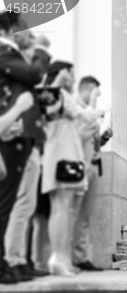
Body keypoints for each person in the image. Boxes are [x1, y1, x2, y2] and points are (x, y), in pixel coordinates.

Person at [0, 11, 51, 283]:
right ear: (13, 29)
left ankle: (17, 259)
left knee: (24, 206)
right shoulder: (4, 54)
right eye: (26, 31)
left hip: (25, 139)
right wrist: (41, 49)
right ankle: (11, 261)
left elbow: (32, 84)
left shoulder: (13, 56)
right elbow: (33, 76)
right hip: (9, 137)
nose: (30, 35)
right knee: (12, 205)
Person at [42, 61, 102, 276]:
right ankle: (57, 258)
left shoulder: (62, 95)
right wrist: (95, 105)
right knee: (61, 209)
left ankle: (61, 258)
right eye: (70, 73)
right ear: (61, 72)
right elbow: (85, 116)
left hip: (68, 156)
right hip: (59, 156)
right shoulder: (52, 93)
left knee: (65, 211)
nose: (73, 78)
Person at [72, 76, 112, 271]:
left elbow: (90, 143)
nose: (98, 97)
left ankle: (80, 256)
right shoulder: (75, 109)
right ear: (87, 90)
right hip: (78, 167)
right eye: (97, 92)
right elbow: (74, 138)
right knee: (71, 211)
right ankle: (67, 256)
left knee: (85, 214)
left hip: (94, 164)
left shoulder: (90, 114)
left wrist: (103, 138)